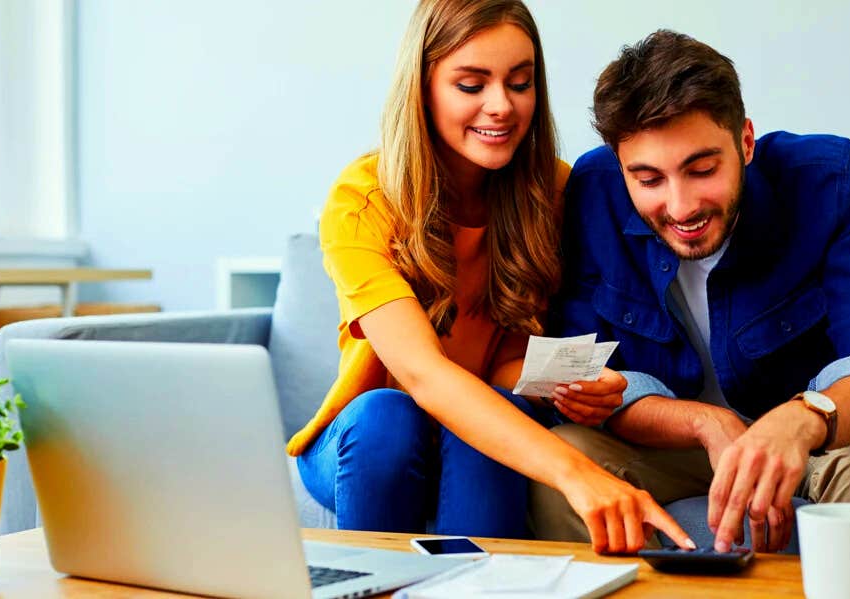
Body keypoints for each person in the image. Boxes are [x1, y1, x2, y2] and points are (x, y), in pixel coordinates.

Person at [532, 30, 850, 561]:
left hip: (822, 438)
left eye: (702, 169)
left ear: (746, 142)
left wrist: (803, 419)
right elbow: (588, 379)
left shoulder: (828, 179)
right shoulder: (593, 192)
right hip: (679, 445)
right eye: (648, 180)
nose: (680, 206)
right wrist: (704, 422)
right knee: (563, 462)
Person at [286, 0, 692, 554]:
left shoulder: (555, 191)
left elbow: (507, 365)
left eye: (519, 83)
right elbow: (423, 373)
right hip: (371, 437)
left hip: (477, 429)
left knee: (493, 419)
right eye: (471, 85)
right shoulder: (361, 200)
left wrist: (571, 387)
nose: (501, 106)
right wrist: (577, 473)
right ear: (423, 87)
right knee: (388, 416)